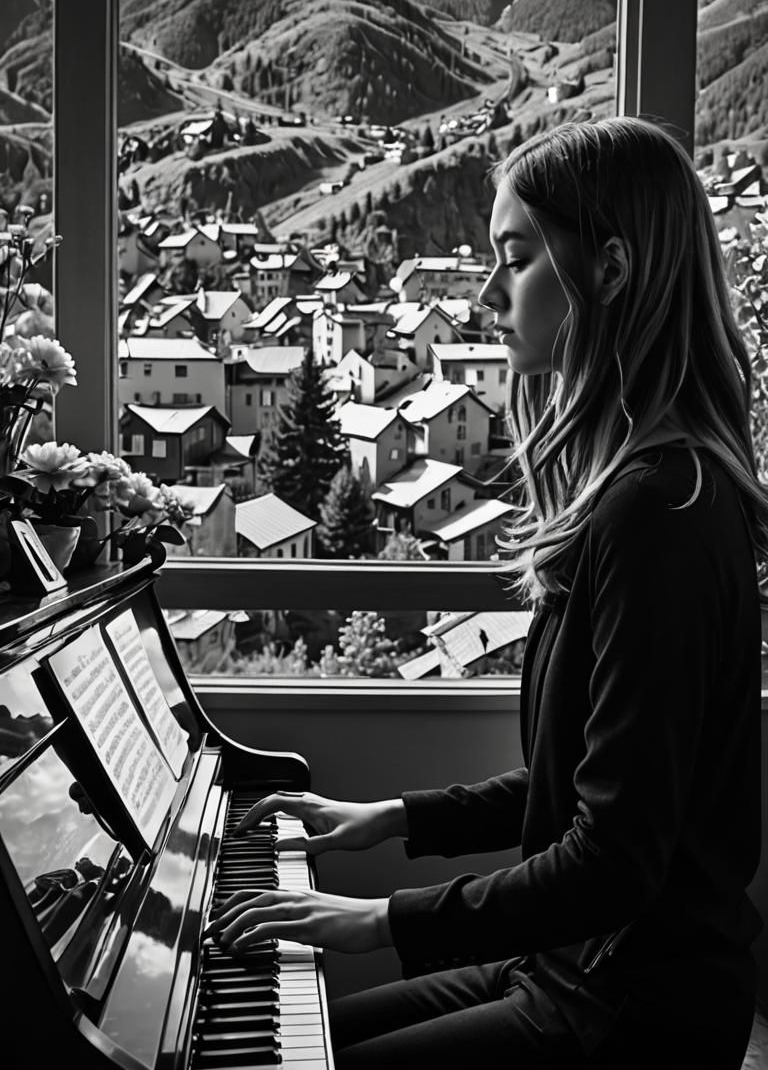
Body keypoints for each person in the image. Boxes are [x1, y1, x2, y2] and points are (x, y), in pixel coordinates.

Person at [205, 117, 766, 1068]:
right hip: (573, 965)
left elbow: (612, 860)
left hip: (632, 1006)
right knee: (314, 1045)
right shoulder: (642, 492)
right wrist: (391, 821)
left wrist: (376, 919)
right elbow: (585, 786)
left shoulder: (659, 516)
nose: (488, 296)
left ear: (612, 270)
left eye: (516, 260)